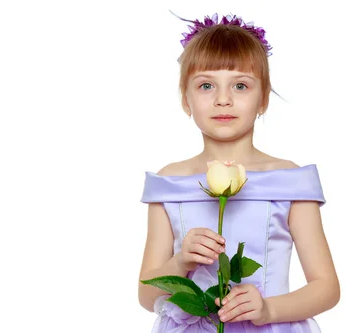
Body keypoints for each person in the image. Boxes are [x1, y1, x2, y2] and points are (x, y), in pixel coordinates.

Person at [138, 12, 340, 332]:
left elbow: (326, 287)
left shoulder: (289, 180)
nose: (223, 99)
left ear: (263, 99)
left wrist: (268, 309)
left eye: (240, 85)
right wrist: (181, 263)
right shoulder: (170, 183)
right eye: (206, 85)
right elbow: (147, 296)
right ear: (186, 100)